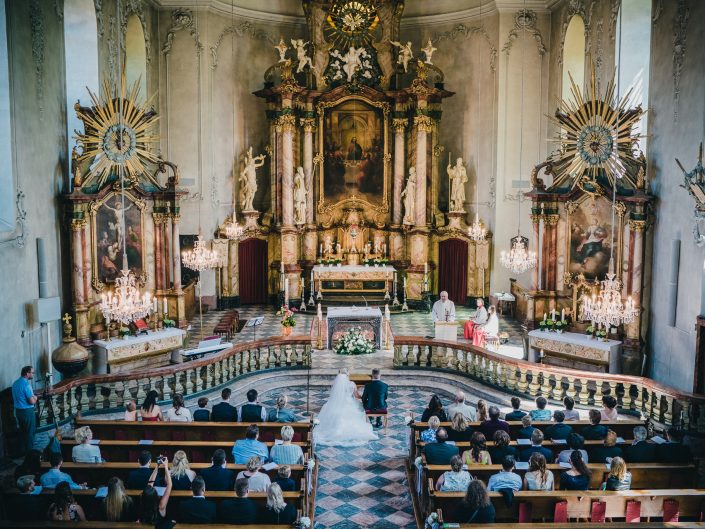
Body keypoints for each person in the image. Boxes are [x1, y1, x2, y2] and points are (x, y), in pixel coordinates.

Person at [313, 370, 378, 446]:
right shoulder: (352, 384)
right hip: (350, 402)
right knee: (360, 410)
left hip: (339, 403)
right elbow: (357, 396)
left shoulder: (338, 386)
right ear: (347, 376)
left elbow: (335, 396)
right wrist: (364, 398)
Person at [138, 455, 173, 529]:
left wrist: (157, 467)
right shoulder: (161, 506)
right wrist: (166, 466)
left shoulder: (143, 504)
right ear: (155, 496)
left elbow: (150, 483)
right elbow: (169, 484)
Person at [13, 366, 38, 455]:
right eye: (32, 373)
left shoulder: (15, 383)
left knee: (22, 432)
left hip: (18, 412)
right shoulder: (26, 385)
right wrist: (35, 397)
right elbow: (31, 401)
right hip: (27, 412)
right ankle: (30, 455)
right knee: (30, 433)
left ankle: (22, 452)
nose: (33, 374)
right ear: (27, 373)